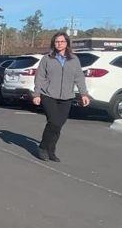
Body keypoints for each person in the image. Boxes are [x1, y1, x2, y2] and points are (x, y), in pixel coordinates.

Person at [31, 32, 89, 162]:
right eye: (57, 41)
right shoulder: (47, 58)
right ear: (53, 43)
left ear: (67, 43)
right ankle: (43, 147)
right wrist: (37, 94)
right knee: (53, 121)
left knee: (59, 125)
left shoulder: (74, 59)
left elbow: (79, 77)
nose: (59, 44)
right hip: (48, 95)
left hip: (67, 97)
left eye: (62, 41)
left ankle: (51, 150)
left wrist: (83, 94)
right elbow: (39, 77)